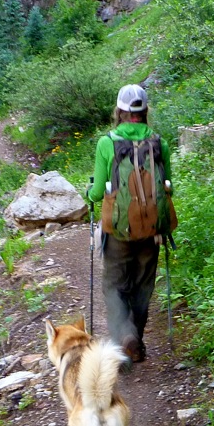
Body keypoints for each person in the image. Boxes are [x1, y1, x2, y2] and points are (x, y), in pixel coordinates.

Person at [85, 83, 171, 364]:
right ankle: (136, 341)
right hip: (152, 228)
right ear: (145, 111)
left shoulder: (107, 143)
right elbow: (168, 185)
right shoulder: (159, 142)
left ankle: (123, 338)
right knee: (143, 285)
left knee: (115, 285)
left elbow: (98, 192)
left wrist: (89, 193)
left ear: (119, 111)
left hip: (119, 229)